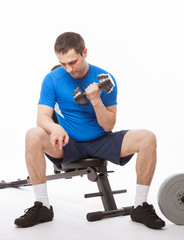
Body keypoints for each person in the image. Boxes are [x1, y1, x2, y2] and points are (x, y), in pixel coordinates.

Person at [14, 32, 165, 229]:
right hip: (68, 143)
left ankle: (140, 206)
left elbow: (109, 125)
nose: (68, 69)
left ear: (84, 52)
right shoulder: (52, 79)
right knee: (32, 134)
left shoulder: (104, 78)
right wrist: (55, 127)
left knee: (147, 138)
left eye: (73, 62)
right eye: (63, 64)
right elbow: (42, 117)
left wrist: (95, 100)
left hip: (102, 140)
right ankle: (42, 205)